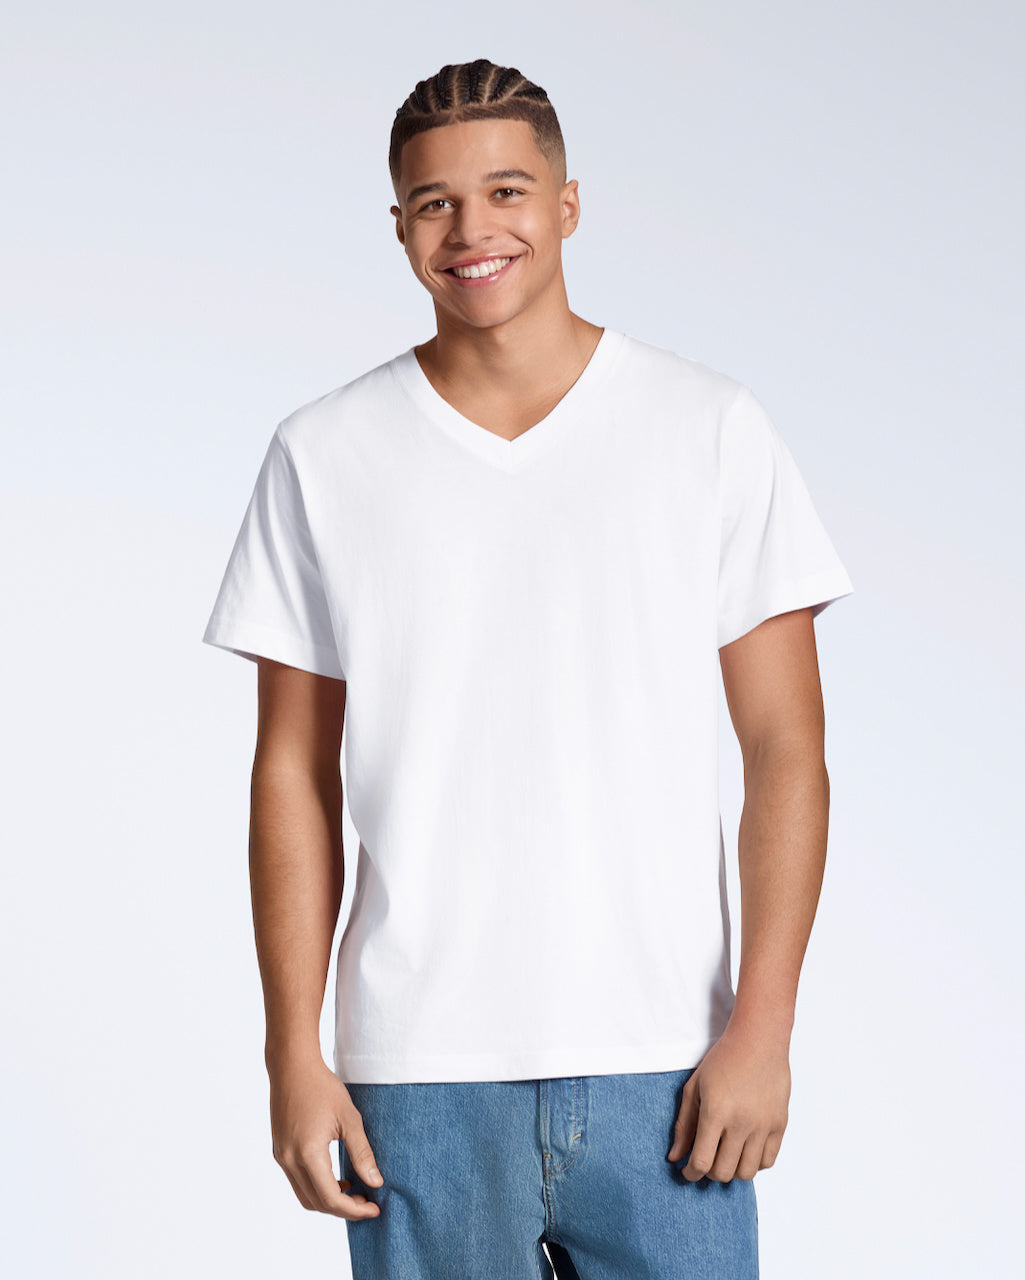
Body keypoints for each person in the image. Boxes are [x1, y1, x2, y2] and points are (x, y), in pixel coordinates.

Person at [202, 57, 853, 1280]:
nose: (472, 229)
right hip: (416, 1075)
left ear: (566, 202)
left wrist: (762, 1022)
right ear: (398, 226)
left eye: (506, 190)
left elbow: (785, 748)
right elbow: (290, 769)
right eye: (434, 203)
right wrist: (293, 1048)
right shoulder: (322, 453)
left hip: (669, 1059)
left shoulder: (704, 427)